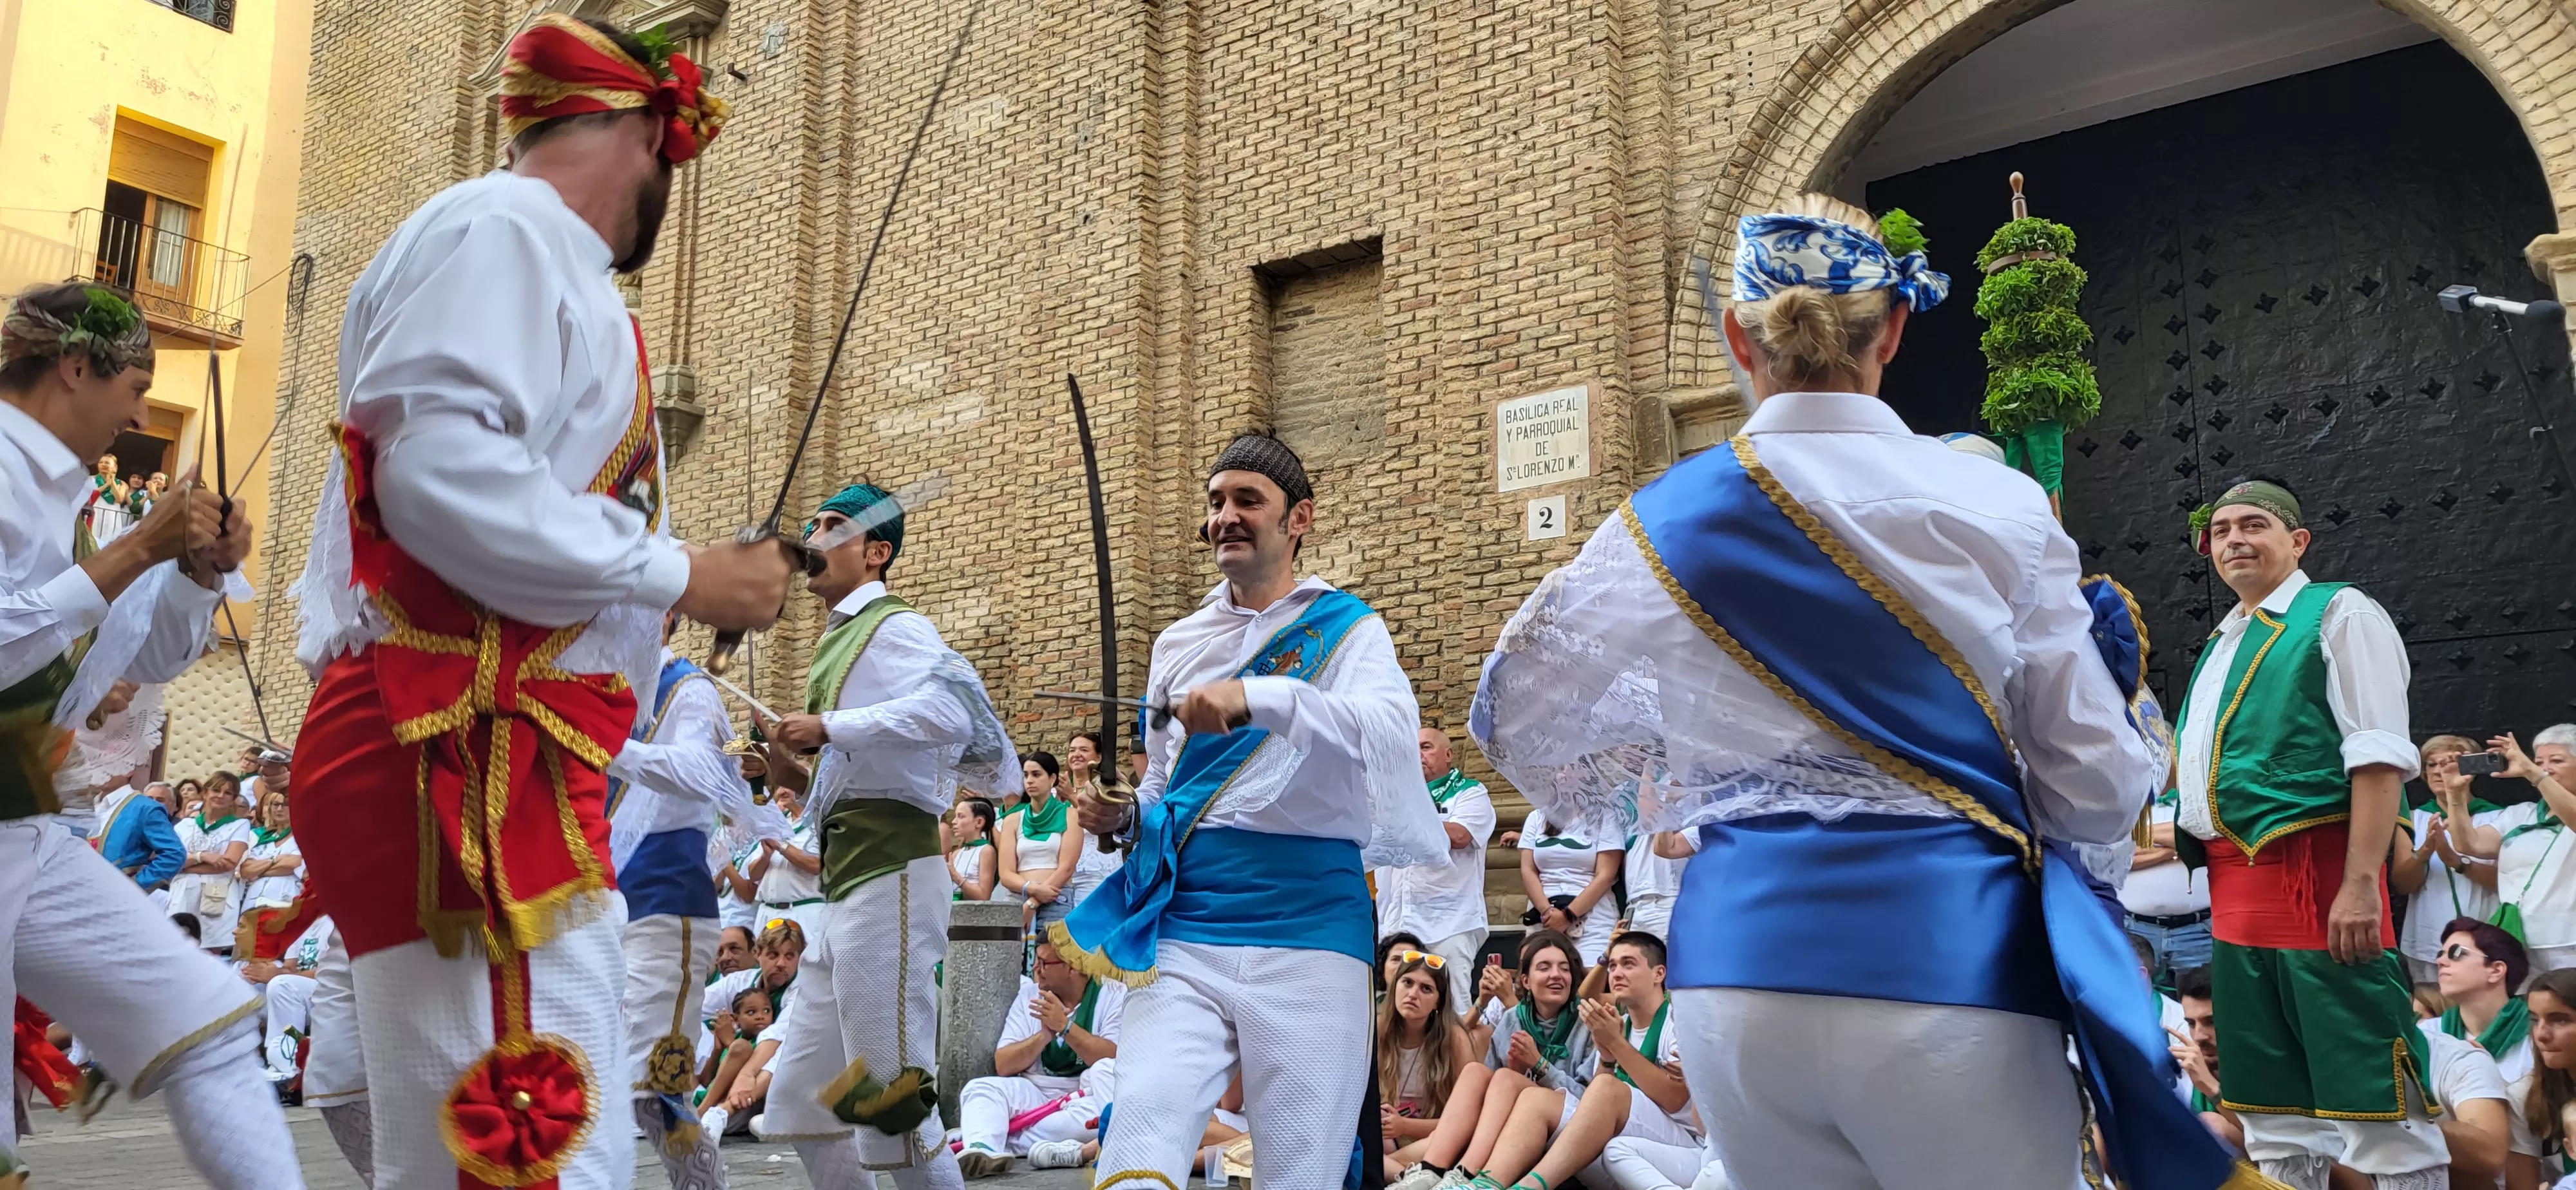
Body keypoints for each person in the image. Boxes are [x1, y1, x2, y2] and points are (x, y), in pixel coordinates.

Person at [1472, 196, 2210, 1190]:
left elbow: (1511, 709)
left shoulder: (1657, 526)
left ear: (1740, 337)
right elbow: (2091, 787)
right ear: (1895, 329)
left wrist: (1687, 754)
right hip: (1948, 957)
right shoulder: (1995, 502)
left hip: (1736, 974)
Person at [286, 16, 791, 1187]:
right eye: (672, 154)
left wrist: (644, 594)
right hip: (463, 757)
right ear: (636, 128)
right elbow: (434, 474)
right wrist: (679, 572)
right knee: (536, 1152)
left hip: (482, 753)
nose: (672, 184)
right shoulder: (508, 227)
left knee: (517, 1146)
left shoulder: (515, 250)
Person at [1063, 432, 1446, 1190]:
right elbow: (1166, 788)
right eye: (1214, 503)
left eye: (1247, 500)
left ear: (1298, 517)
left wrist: (1258, 699)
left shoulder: (1349, 629)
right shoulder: (1179, 641)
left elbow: (1387, 730)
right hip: (1188, 923)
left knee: (1301, 1166)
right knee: (1141, 1121)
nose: (1225, 518)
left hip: (1310, 926)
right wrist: (1122, 820)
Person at [1, 278, 297, 1187]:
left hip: (26, 821)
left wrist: (196, 574)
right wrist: (136, 549)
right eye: (133, 391)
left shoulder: (72, 499)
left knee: (207, 1016)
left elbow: (146, 657)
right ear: (76, 367)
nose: (137, 417)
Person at [2165, 473, 2446, 1189]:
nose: (2234, 539)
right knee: (2272, 1113)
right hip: (2233, 903)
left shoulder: (2339, 611)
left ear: (2297, 540)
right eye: (2222, 530)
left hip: (2319, 887)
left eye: (2253, 524)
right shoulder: (2221, 642)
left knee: (2377, 1108)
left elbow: (2379, 755)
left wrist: (2360, 883)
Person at [748, 480, 1019, 1190]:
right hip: (845, 884)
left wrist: (829, 727)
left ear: (876, 552)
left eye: (832, 525)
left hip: (892, 875)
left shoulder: (894, 625)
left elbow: (952, 716)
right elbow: (842, 783)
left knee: (889, 1093)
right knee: (803, 1103)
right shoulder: (841, 636)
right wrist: (785, 753)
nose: (814, 536)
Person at [607, 611, 770, 1185]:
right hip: (600, 905)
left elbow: (705, 770)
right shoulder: (597, 691)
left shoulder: (690, 689)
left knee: (654, 1088)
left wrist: (609, 748)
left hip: (667, 906)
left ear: (667, 616)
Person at [1456, 932, 1700, 1190]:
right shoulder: (1621, 1025)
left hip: (1681, 1149)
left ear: (1659, 974)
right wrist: (1607, 1057)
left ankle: (1530, 1186)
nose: (1616, 973)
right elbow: (1593, 1106)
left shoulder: (1678, 1025)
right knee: (1533, 1099)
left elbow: (1675, 1100)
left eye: (1628, 964)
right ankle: (1484, 1184)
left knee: (1607, 1089)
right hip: (1621, 1148)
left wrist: (1616, 1045)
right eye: (1613, 965)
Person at [956, 935, 1128, 1176]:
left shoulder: (1111, 993)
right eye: (1037, 961)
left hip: (1085, 1097)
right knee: (981, 1089)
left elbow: (1111, 1057)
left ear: (1074, 966)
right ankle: (982, 1149)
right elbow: (1004, 1065)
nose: (1036, 969)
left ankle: (993, 1136)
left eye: (1045, 963)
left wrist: (1066, 1028)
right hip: (1035, 1091)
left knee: (1090, 1121)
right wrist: (1044, 1036)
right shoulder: (1030, 994)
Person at [1378, 726, 1499, 1007]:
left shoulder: (1470, 793)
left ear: (1448, 755)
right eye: (1413, 749)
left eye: (1426, 747)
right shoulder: (1392, 798)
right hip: (1399, 923)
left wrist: (1408, 818)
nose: (1417, 754)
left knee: (1452, 1012)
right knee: (1398, 1014)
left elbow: (1459, 836)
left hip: (1449, 923)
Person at [2452, 728, 2576, 978]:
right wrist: (2454, 794)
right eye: (2539, 761)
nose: (2545, 768)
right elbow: (2469, 844)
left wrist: (2534, 772)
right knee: (2527, 1013)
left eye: (2557, 761)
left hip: (2568, 941)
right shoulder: (2521, 813)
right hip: (2518, 941)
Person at [2395, 737, 2501, 990]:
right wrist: (2425, 850)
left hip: (2486, 935)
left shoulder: (2500, 816)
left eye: (2450, 763)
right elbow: (2402, 884)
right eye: (2432, 765)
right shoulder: (2412, 819)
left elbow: (2507, 881)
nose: (2440, 771)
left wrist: (2458, 863)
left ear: (2471, 770)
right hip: (2428, 940)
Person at [1376, 951, 1484, 1182]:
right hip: (1384, 1139)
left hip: (1434, 1140)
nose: (1413, 994)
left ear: (1438, 1002)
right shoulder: (1375, 1031)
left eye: (1426, 989)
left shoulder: (1454, 1037)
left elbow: (1467, 1119)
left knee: (1447, 1138)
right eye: (1407, 983)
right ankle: (1410, 1178)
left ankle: (1395, 1174)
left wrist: (1405, 1126)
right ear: (1395, 987)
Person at [2126, 784, 2213, 992]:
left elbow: (2212, 840)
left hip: (2197, 933)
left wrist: (2138, 835)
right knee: (2138, 1009)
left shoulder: (2202, 797)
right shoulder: (2125, 799)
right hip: (2136, 931)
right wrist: (2182, 847)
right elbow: (2116, 856)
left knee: (2204, 1010)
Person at [1517, 807, 1620, 967]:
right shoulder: (1537, 817)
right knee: (1542, 977)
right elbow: (1527, 870)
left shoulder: (1605, 816)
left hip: (1591, 918)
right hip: (1544, 918)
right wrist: (1547, 912)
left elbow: (1606, 875)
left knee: (1589, 983)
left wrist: (1568, 916)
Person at [170, 772, 254, 952]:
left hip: (217, 893)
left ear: (234, 798)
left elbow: (229, 863)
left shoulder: (239, 825)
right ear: (206, 792)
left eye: (228, 793)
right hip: (184, 892)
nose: (221, 796)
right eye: (216, 790)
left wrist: (187, 866)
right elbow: (172, 861)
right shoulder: (185, 825)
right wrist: (203, 856)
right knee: (176, 946)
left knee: (210, 952)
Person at [1001, 751, 1080, 929]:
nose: (1029, 780)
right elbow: (1006, 872)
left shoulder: (1070, 816)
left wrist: (1033, 902)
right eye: (1026, 775)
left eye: (1036, 775)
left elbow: (1067, 868)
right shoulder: (1013, 819)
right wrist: (1033, 889)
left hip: (1056, 898)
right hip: (1017, 897)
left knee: (1049, 955)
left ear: (1052, 779)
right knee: (1013, 956)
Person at [2171, 967, 2240, 1153]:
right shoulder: (2182, 1067)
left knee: (2212, 1125)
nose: (2199, 1036)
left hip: (2278, 1175)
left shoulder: (2271, 1068)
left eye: (2211, 1021)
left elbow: (2276, 1144)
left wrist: (2210, 1087)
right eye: (2191, 1024)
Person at [749, 785, 826, 940]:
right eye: (779, 786)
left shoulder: (818, 823)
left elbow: (816, 865)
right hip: (768, 913)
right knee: (765, 964)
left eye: (790, 785)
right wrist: (766, 856)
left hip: (804, 912)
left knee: (805, 964)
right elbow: (753, 874)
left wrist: (781, 846)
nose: (783, 791)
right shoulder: (774, 823)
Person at [95, 774, 185, 904]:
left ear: (129, 770)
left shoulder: (146, 808)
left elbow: (174, 854)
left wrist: (135, 885)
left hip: (115, 900)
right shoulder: (86, 805)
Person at [946, 796, 999, 902]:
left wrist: (955, 876)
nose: (954, 822)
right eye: (955, 816)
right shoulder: (957, 853)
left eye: (961, 817)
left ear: (979, 822)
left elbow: (984, 896)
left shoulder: (986, 851)